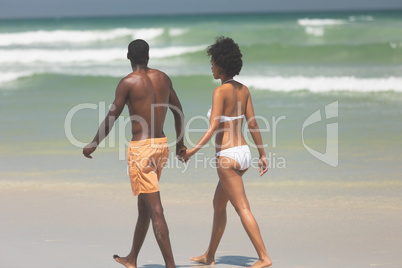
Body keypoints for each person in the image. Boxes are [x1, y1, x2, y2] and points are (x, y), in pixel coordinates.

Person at [83, 39, 186, 268]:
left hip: (142, 150)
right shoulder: (163, 78)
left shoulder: (127, 83)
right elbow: (178, 113)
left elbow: (111, 118)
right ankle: (132, 258)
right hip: (161, 147)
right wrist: (180, 144)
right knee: (145, 207)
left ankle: (171, 266)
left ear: (128, 56)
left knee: (156, 209)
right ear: (148, 56)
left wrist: (93, 143)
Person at [183, 36, 272, 268]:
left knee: (242, 207)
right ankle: (210, 255)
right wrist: (262, 154)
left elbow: (213, 127)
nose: (211, 66)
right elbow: (252, 124)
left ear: (221, 64)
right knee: (218, 203)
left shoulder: (220, 91)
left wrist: (192, 150)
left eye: (212, 62)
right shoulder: (244, 90)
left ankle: (264, 257)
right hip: (243, 153)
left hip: (228, 158)